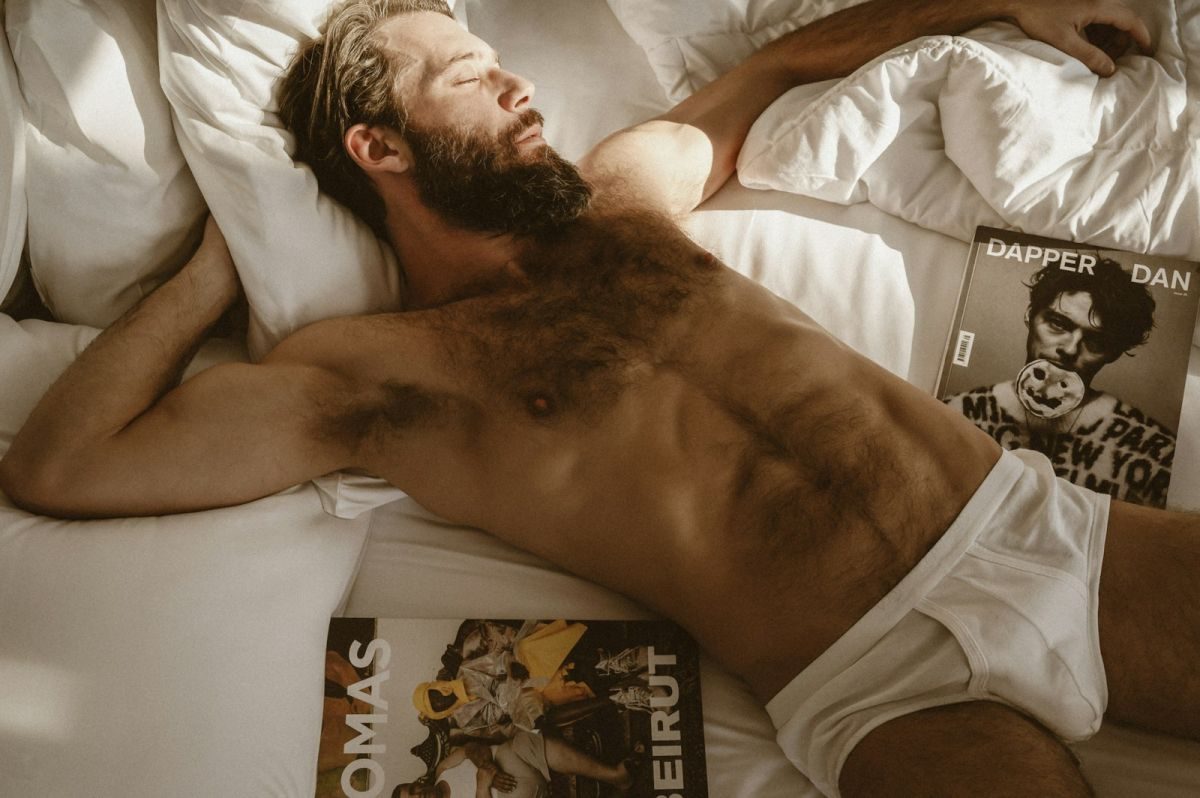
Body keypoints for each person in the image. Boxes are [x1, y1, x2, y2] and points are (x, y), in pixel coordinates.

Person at [1, 1, 1195, 795]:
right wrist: (217, 266)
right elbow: (60, 467)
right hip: (881, 681)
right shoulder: (373, 375)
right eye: (468, 75)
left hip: (1046, 537)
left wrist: (990, 2)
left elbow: (779, 64)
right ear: (381, 149)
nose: (514, 82)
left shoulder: (619, 201)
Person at [945, 257, 1177, 507]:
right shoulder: (954, 413)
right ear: (1029, 315)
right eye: (1058, 324)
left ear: (1114, 352)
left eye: (1096, 341)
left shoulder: (1154, 451)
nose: (1069, 348)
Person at [394, 734, 635, 798]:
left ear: (417, 782)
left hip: (523, 760)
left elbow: (470, 748)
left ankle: (615, 776)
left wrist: (487, 767)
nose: (419, 795)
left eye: (412, 790)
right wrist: (483, 787)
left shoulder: (442, 771)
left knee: (521, 741)